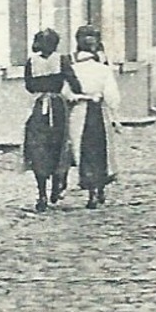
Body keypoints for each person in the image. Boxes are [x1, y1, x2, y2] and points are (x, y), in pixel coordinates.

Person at [66, 25, 122, 209]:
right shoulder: (102, 69)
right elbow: (112, 96)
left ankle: (89, 186)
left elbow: (66, 92)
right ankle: (99, 188)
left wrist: (77, 98)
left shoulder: (70, 67)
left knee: (82, 150)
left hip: (78, 112)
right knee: (100, 149)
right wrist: (114, 114)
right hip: (99, 111)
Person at [21, 28, 74, 212]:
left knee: (38, 148)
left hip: (38, 107)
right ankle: (56, 184)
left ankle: (42, 192)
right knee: (59, 144)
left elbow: (29, 86)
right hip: (58, 107)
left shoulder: (31, 62)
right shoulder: (62, 60)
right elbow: (74, 82)